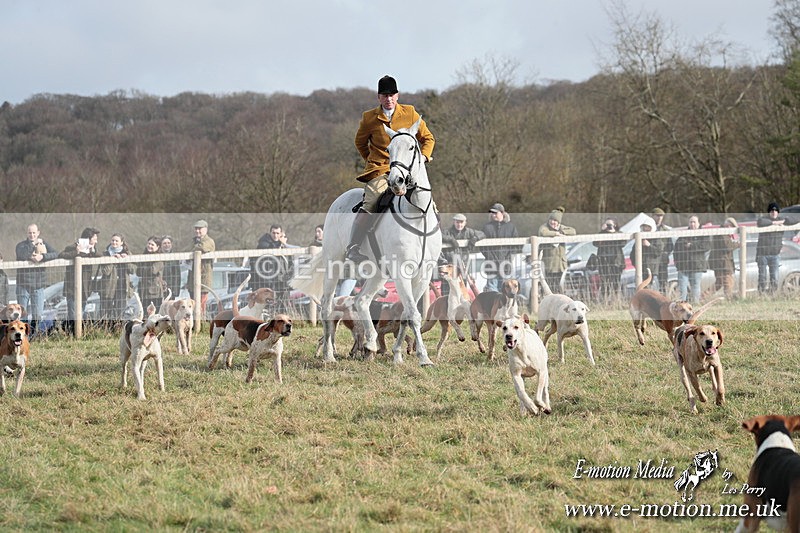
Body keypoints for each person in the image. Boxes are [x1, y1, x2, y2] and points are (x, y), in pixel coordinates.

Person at [345, 75, 436, 263]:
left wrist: (423, 157)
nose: (389, 99)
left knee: (427, 201)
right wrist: (371, 160)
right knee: (371, 201)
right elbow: (360, 142)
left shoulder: (410, 113)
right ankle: (353, 246)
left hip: (407, 170)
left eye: (392, 95)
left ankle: (436, 248)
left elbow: (428, 138)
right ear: (379, 97)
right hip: (380, 169)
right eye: (385, 95)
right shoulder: (369, 118)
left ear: (397, 95)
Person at [15, 223, 58, 334]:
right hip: (23, 285)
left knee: (37, 315)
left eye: (34, 233)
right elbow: (22, 255)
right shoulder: (21, 245)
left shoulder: (44, 244)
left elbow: (56, 254)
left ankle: (33, 335)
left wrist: (42, 256)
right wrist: (34, 246)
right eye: (30, 233)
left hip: (38, 285)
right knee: (22, 315)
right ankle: (23, 336)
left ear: (38, 233)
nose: (32, 235)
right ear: (27, 233)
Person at [58, 227, 100, 336]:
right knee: (72, 314)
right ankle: (72, 335)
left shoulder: (92, 250)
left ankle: (80, 334)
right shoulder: (72, 247)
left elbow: (100, 256)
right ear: (88, 239)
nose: (96, 241)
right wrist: (76, 252)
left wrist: (92, 251)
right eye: (94, 239)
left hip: (85, 288)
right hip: (72, 287)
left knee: (81, 313)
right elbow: (61, 254)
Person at [97, 232, 135, 327]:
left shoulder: (127, 253)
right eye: (113, 240)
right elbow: (106, 271)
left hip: (122, 287)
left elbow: (132, 270)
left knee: (120, 312)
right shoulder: (105, 253)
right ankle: (105, 330)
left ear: (121, 242)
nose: (114, 242)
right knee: (105, 313)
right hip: (107, 288)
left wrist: (125, 260)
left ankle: (118, 330)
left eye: (116, 241)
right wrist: (112, 259)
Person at [441, 213, 484, 295]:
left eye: (461, 222)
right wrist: (451, 239)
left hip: (462, 266)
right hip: (449, 265)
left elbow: (482, 234)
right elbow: (439, 235)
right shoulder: (447, 232)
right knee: (447, 291)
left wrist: (474, 238)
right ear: (454, 222)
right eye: (457, 222)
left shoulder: (469, 232)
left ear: (465, 223)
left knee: (462, 291)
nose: (459, 224)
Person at [253, 224, 292, 312]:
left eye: (278, 233)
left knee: (283, 305)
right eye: (273, 233)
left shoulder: (284, 247)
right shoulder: (264, 243)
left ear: (281, 234)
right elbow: (267, 249)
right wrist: (280, 243)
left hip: (282, 281)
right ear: (270, 233)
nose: (275, 235)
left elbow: (290, 263)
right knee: (269, 305)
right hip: (268, 280)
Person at [483, 203, 520, 293]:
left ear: (502, 213)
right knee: (492, 292)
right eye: (492, 213)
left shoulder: (511, 227)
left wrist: (509, 256)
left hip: (506, 265)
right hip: (491, 265)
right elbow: (482, 246)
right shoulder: (487, 227)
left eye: (496, 213)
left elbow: (517, 244)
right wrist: (490, 256)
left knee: (506, 291)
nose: (493, 215)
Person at [538, 207, 576, 293]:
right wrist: (556, 234)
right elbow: (543, 232)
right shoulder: (544, 227)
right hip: (549, 265)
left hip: (561, 265)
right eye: (551, 219)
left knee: (559, 286)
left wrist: (562, 232)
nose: (553, 222)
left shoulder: (561, 228)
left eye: (555, 220)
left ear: (559, 222)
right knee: (548, 286)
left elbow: (573, 231)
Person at [673, 215, 710, 303]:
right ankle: (682, 304)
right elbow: (676, 249)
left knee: (695, 286)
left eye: (694, 222)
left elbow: (706, 246)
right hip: (683, 266)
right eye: (691, 222)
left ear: (698, 223)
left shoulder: (703, 234)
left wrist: (691, 246)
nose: (692, 224)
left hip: (697, 266)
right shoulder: (683, 235)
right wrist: (677, 262)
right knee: (682, 286)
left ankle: (695, 303)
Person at [707, 217, 740, 300]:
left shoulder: (725, 234)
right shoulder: (722, 233)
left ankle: (703, 297)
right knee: (728, 282)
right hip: (722, 263)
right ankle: (728, 299)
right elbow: (728, 246)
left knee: (720, 282)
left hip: (724, 262)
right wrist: (738, 244)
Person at [593, 218, 625, 301]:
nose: (608, 226)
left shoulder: (619, 234)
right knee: (604, 284)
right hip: (603, 262)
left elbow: (623, 243)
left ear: (615, 225)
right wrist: (602, 231)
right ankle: (605, 301)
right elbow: (595, 243)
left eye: (610, 224)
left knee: (616, 283)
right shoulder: (602, 234)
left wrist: (614, 232)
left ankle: (616, 300)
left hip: (616, 262)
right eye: (607, 225)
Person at [757, 202, 785, 294]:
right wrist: (774, 223)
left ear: (778, 212)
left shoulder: (782, 220)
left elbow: (794, 219)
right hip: (763, 254)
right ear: (769, 212)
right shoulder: (764, 220)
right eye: (772, 210)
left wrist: (782, 222)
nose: (774, 212)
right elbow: (760, 222)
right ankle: (761, 294)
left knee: (775, 278)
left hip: (775, 255)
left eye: (776, 211)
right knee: (762, 277)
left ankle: (772, 294)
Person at [189, 220, 215, 318]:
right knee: (193, 305)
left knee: (201, 306)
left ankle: (201, 322)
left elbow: (202, 248)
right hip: (192, 279)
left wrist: (194, 248)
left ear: (206, 229)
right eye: (196, 229)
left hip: (203, 279)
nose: (197, 231)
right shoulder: (193, 241)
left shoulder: (209, 241)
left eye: (200, 229)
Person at [629, 215, 662, 288]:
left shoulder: (656, 238)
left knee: (651, 289)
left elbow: (658, 252)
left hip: (652, 270)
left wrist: (649, 245)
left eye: (648, 227)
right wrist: (636, 265)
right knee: (641, 289)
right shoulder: (639, 238)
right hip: (641, 270)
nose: (646, 228)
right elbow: (632, 254)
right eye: (645, 227)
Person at [137, 236, 166, 311]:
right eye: (149, 244)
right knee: (144, 312)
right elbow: (138, 272)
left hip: (155, 292)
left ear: (158, 246)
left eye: (152, 245)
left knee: (155, 312)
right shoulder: (144, 256)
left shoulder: (159, 258)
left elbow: (153, 271)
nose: (149, 246)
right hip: (143, 291)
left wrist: (143, 268)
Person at [651, 208, 674, 293]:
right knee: (648, 282)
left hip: (662, 261)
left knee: (663, 283)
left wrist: (665, 254)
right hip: (650, 260)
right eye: (657, 216)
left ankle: (663, 298)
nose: (659, 218)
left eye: (661, 216)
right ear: (653, 216)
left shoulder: (665, 230)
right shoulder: (647, 228)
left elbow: (670, 245)